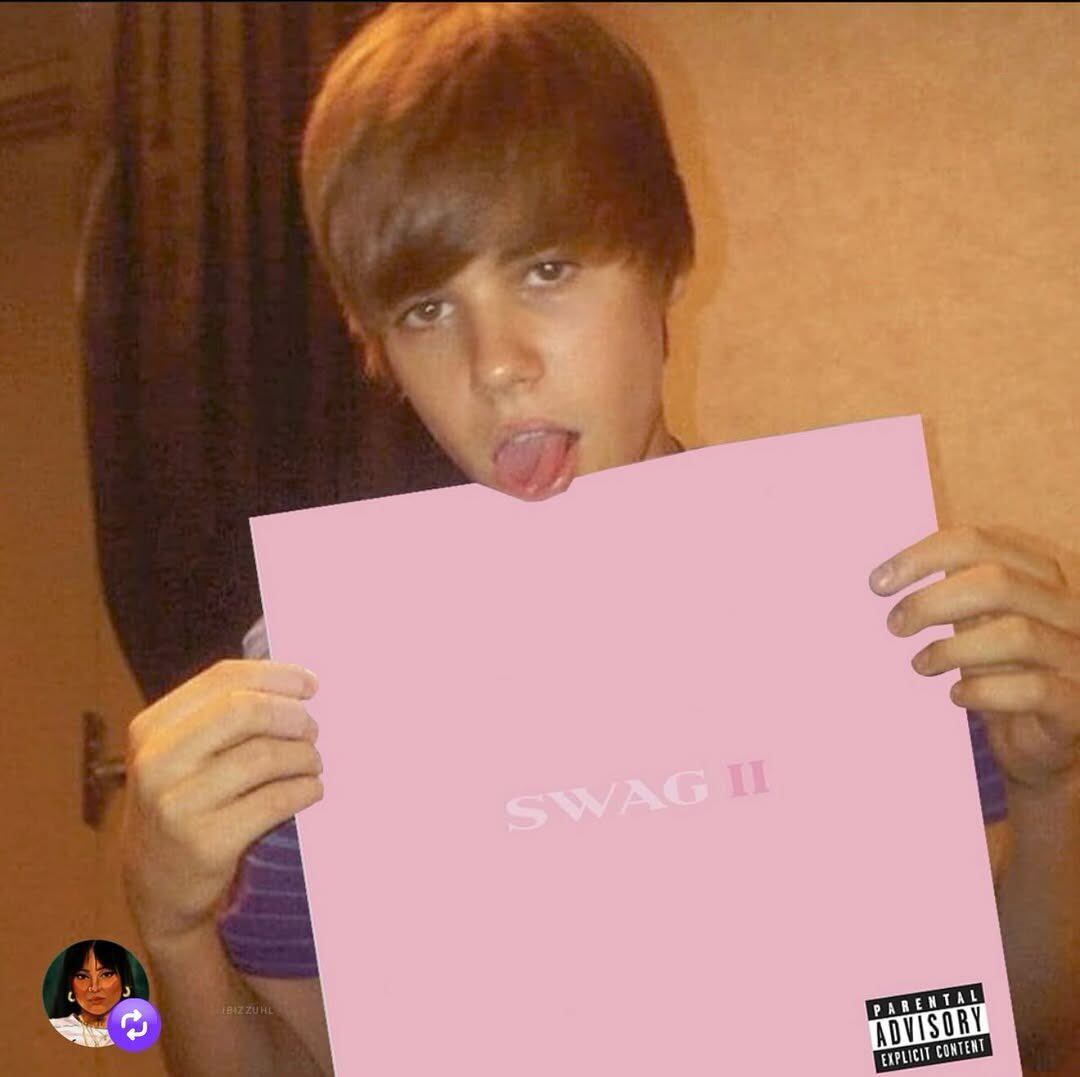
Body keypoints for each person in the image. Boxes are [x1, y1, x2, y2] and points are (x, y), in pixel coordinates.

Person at [120, 4, 1080, 1075]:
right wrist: (175, 931)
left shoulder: (884, 616)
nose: (496, 363)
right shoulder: (321, 698)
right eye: (426, 308)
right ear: (378, 350)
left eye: (547, 269)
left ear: (665, 261)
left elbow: (1000, 1029)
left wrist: (1054, 793)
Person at [47, 939, 136, 1048]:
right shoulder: (55, 1029)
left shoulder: (139, 1031)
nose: (94, 988)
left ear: (124, 980)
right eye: (82, 976)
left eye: (106, 974)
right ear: (70, 985)